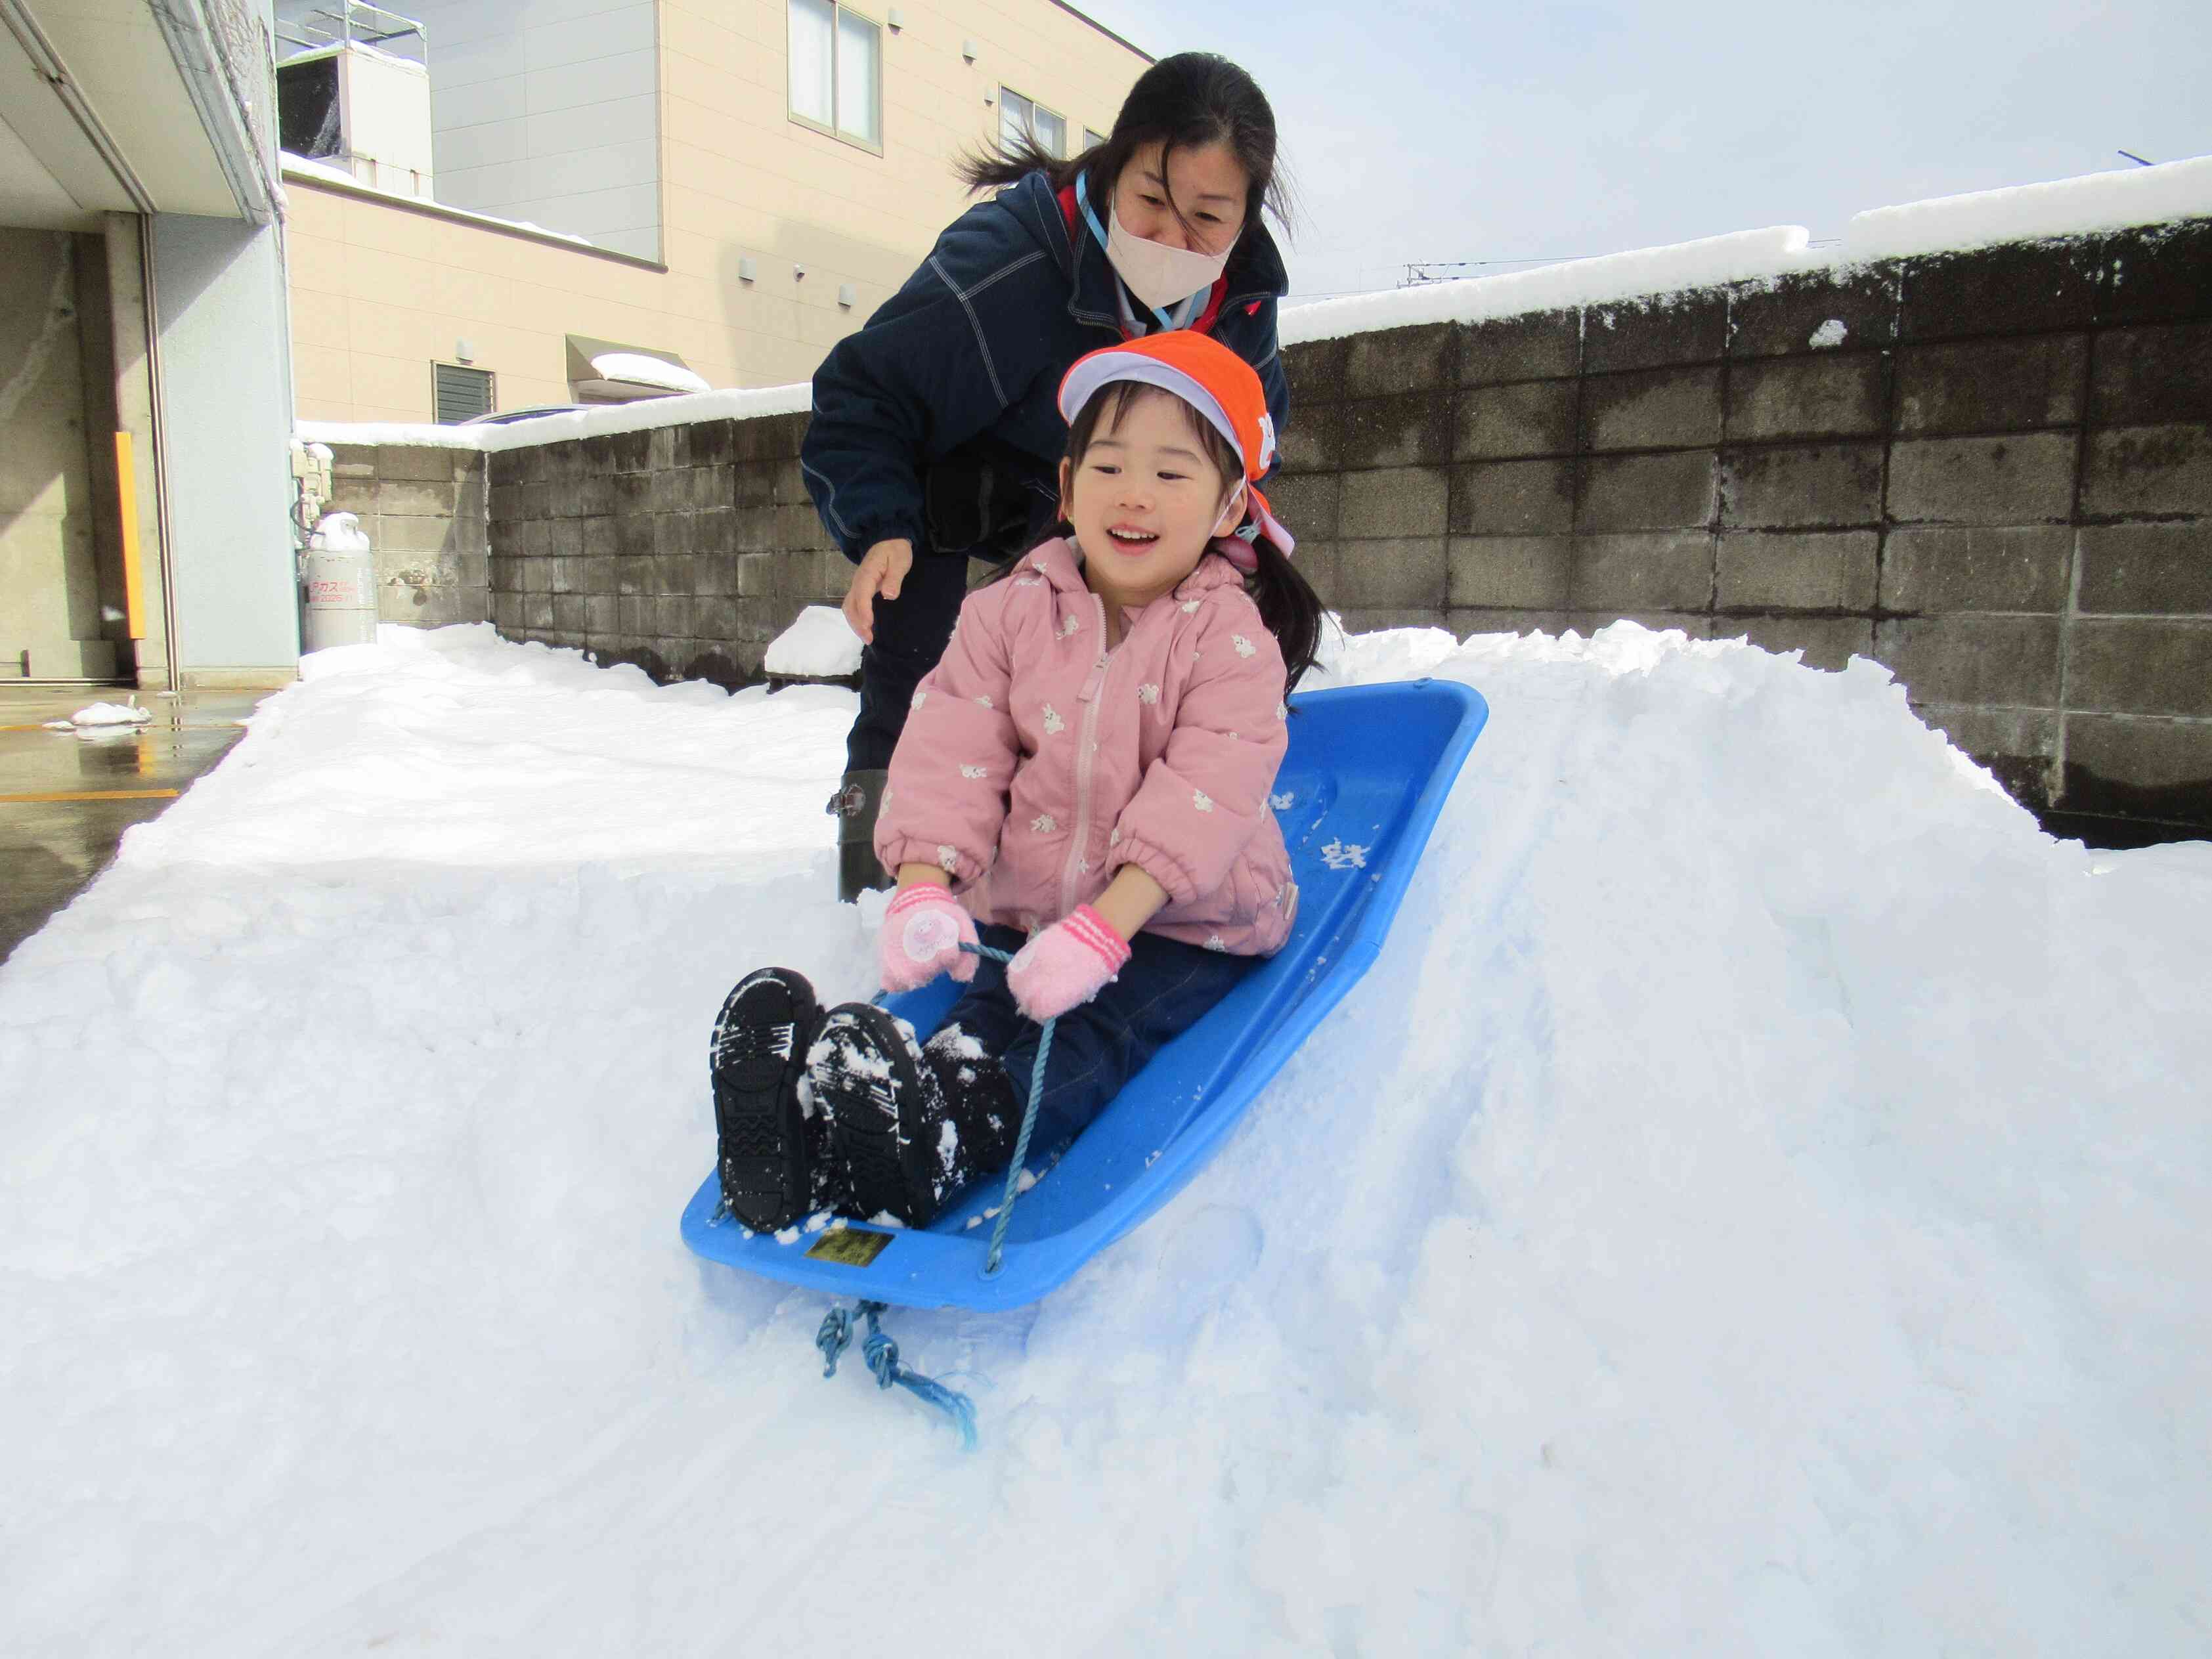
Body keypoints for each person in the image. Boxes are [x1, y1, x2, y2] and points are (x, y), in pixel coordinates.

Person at [712, 332, 1322, 1234]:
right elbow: (951, 745)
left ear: (1230, 503)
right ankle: (810, 1140)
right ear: (1068, 487)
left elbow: (1210, 789)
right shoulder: (1006, 615)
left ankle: (948, 1141)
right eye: (1109, 465)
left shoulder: (1228, 642)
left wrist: (1104, 932)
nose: (1134, 495)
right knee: (980, 1015)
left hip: (1182, 924)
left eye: (1171, 473)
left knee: (1085, 1036)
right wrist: (922, 888)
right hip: (1033, 904)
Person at [802, 51, 1294, 901]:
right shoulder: (1007, 266)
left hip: (1083, 497)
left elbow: (1248, 447)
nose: (1172, 241)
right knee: (917, 686)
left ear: (1247, 217)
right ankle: (865, 871)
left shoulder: (1240, 301)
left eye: (1207, 218)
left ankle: (1075, 863)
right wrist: (881, 521)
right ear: (1112, 169)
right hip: (944, 484)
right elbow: (863, 390)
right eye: (1150, 201)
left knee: (1099, 683)